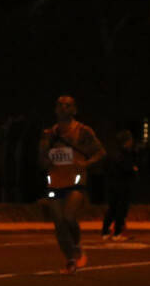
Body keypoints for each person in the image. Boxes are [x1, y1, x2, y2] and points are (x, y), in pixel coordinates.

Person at [39, 96, 105, 274]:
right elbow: (42, 159)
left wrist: (86, 163)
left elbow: (100, 152)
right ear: (55, 109)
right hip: (54, 182)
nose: (63, 108)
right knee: (58, 222)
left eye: (67, 105)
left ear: (74, 110)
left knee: (68, 217)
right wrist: (45, 158)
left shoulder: (83, 131)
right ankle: (69, 259)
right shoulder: (49, 133)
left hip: (75, 181)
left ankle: (76, 245)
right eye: (60, 105)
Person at [101, 130, 138, 241]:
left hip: (111, 184)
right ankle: (117, 233)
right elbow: (128, 168)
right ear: (126, 141)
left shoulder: (111, 153)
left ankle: (105, 232)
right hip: (122, 184)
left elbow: (106, 167)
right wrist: (133, 169)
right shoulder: (125, 154)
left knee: (112, 208)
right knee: (121, 209)